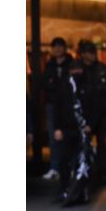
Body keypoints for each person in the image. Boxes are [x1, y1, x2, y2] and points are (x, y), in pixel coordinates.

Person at [70, 40, 106, 186]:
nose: (93, 55)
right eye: (89, 52)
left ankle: (100, 174)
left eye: (93, 52)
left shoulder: (102, 68)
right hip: (82, 111)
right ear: (83, 54)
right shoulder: (76, 67)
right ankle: (83, 173)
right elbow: (71, 87)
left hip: (101, 111)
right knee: (82, 144)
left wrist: (96, 89)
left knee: (102, 144)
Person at [42, 37, 74, 182]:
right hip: (53, 104)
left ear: (65, 48)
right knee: (53, 136)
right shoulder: (49, 65)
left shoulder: (72, 63)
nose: (57, 49)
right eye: (55, 46)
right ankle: (55, 168)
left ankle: (71, 166)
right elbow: (45, 83)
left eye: (60, 46)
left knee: (69, 135)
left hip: (68, 104)